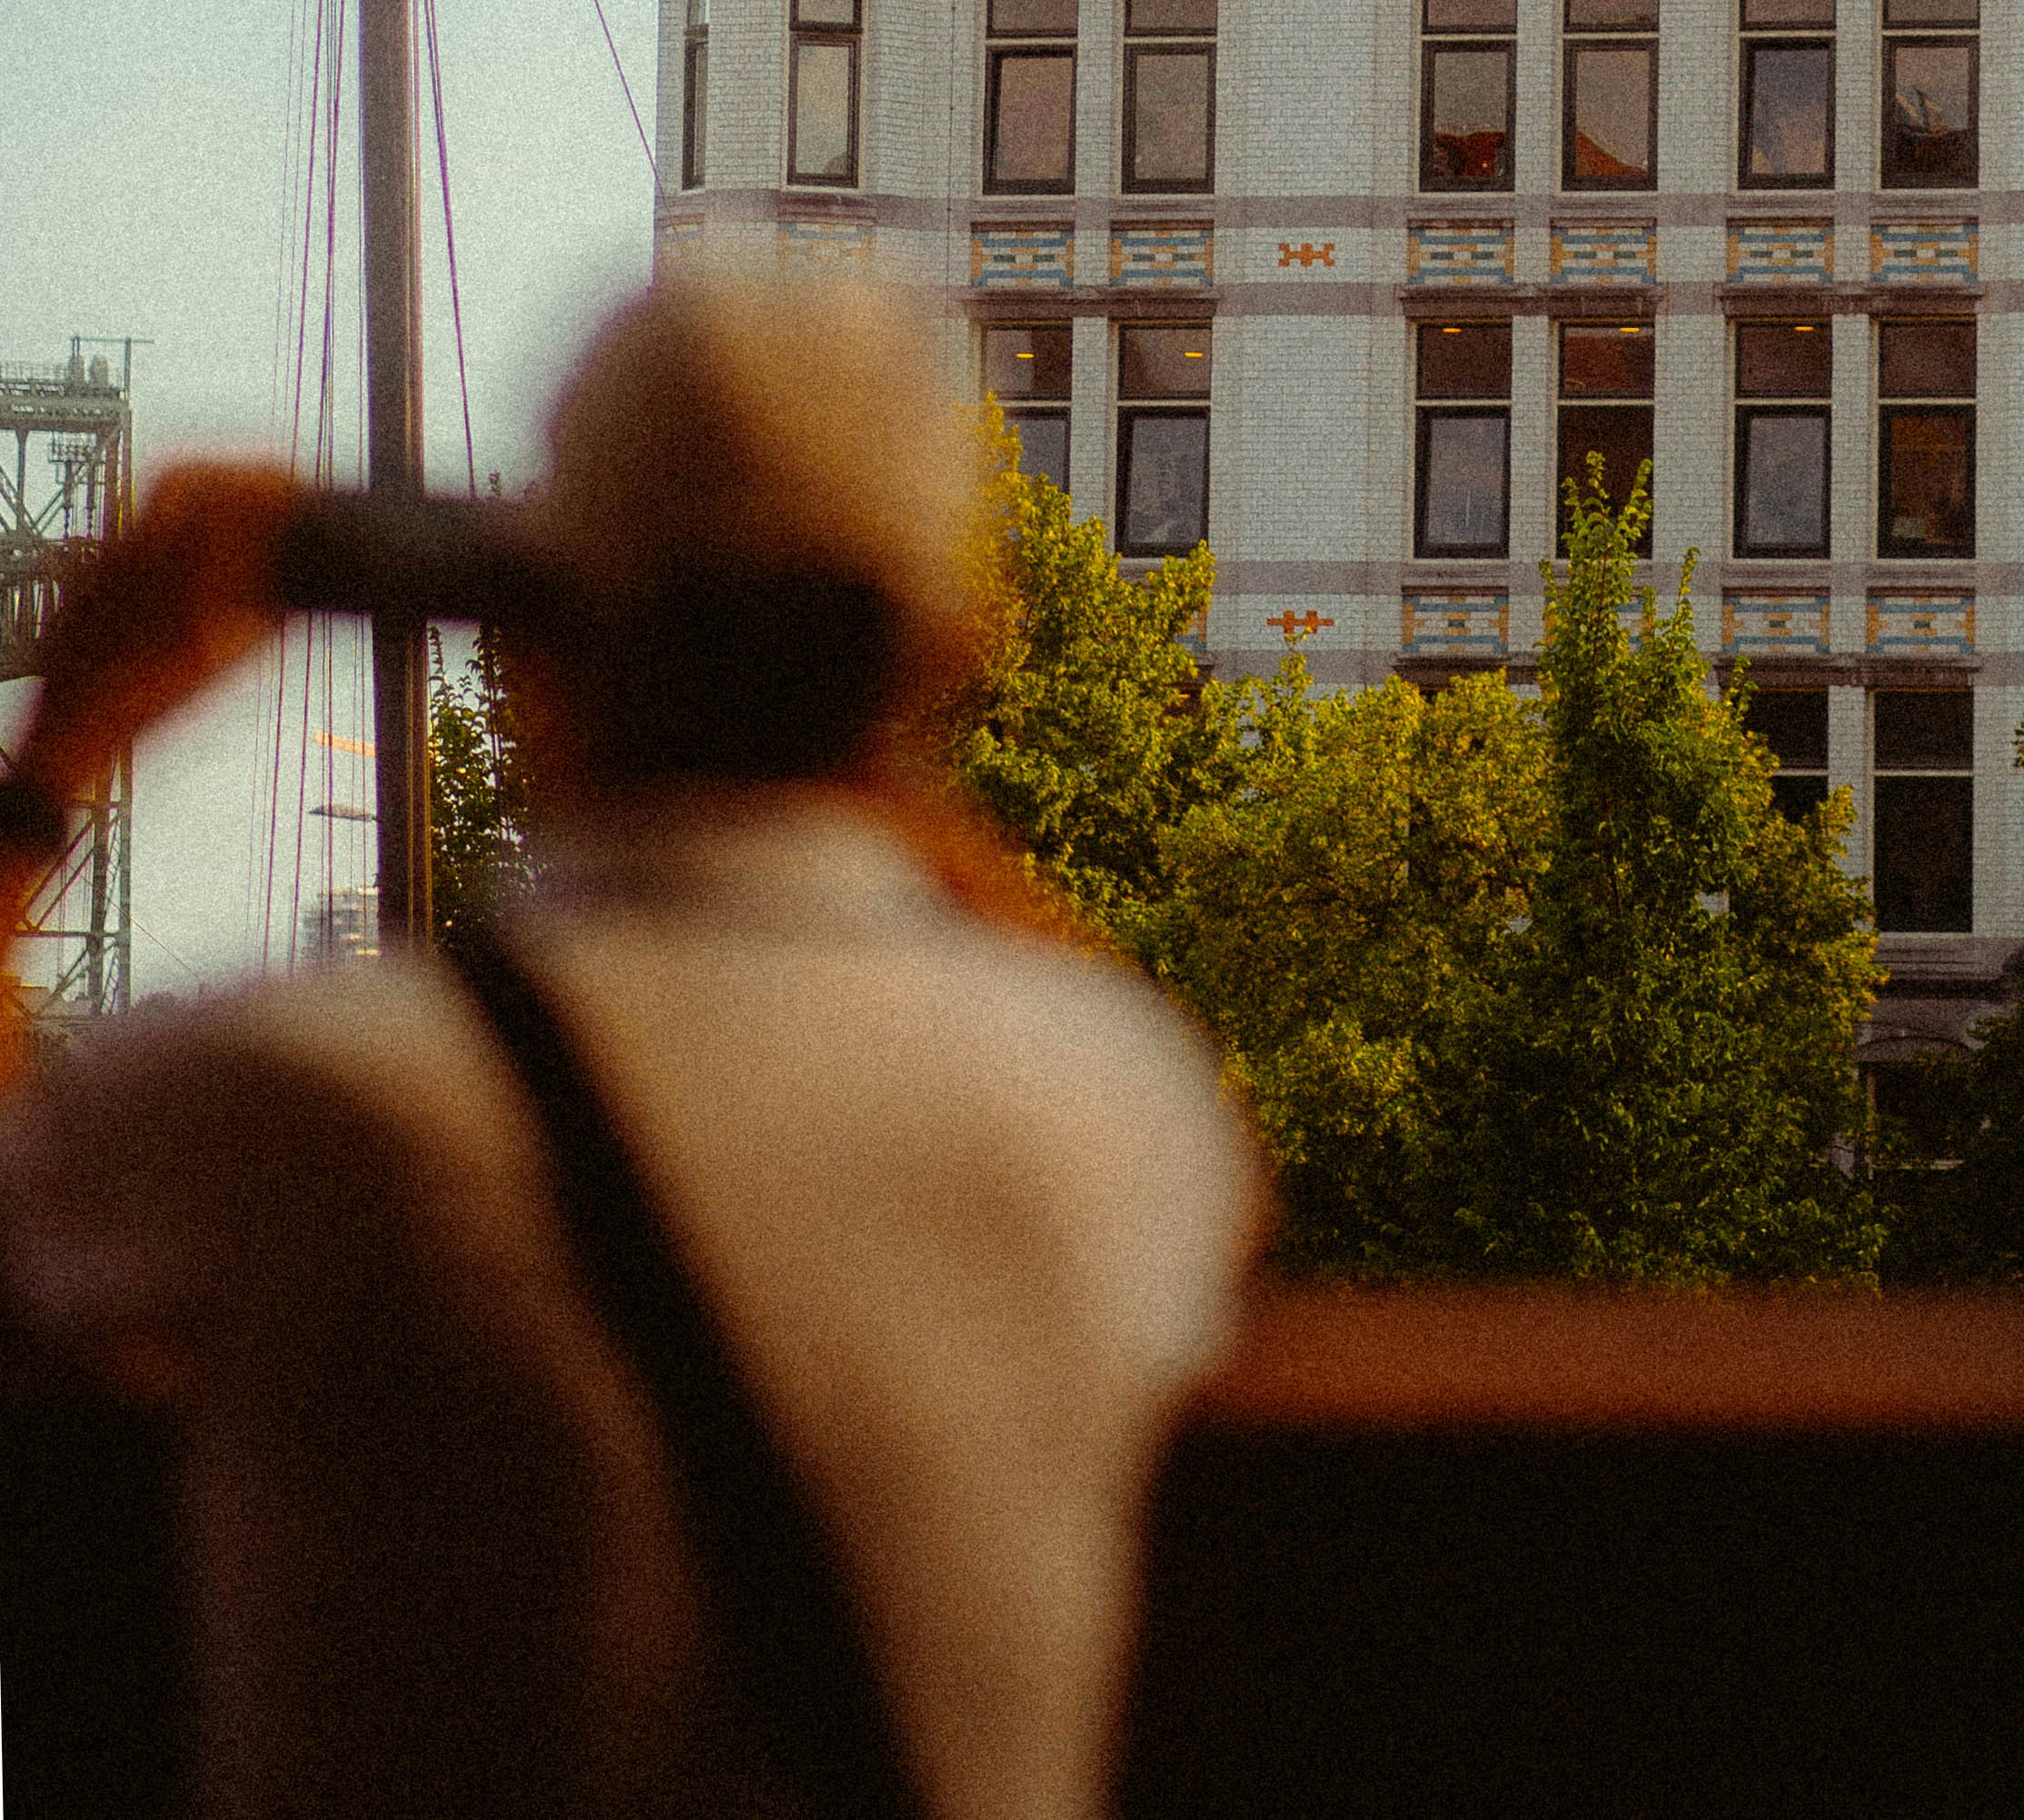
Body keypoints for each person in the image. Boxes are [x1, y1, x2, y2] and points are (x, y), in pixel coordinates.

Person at [0, 268, 1264, 1820]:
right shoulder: (1129, 1107)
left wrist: (56, 753)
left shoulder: (300, 1098)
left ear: (531, 630)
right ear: (951, 649)